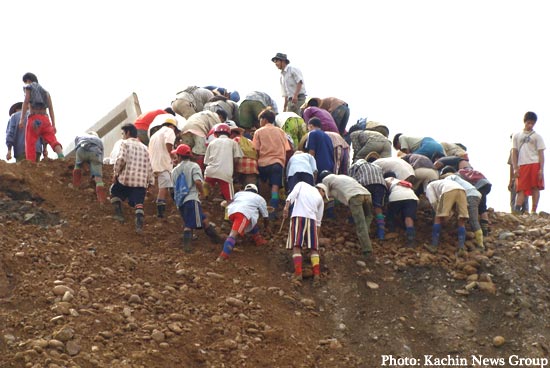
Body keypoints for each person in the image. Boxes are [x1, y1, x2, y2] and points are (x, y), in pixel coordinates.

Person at [171, 144, 221, 252]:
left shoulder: (174, 171)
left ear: (179, 156)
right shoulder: (194, 166)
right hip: (191, 199)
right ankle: (187, 247)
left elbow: (173, 188)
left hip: (180, 201)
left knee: (203, 220)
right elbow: (198, 181)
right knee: (190, 224)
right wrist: (202, 193)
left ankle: (216, 239)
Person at [318, 170, 374, 257]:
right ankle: (365, 234)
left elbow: (325, 195)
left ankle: (367, 251)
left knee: (360, 224)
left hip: (355, 197)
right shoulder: (343, 177)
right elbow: (335, 195)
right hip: (367, 194)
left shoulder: (326, 179)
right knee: (369, 216)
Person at [110, 124, 154, 232]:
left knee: (114, 191)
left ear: (128, 133)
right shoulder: (145, 148)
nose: (122, 136)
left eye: (122, 133)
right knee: (139, 203)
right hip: (140, 182)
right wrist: (150, 182)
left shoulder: (124, 144)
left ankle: (119, 214)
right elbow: (149, 166)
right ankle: (138, 223)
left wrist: (115, 173)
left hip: (126, 180)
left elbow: (121, 159)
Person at [282, 182, 326, 286]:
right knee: (314, 249)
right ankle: (316, 275)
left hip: (299, 217)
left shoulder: (301, 184)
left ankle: (298, 273)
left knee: (297, 246)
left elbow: (292, 195)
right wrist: (316, 240)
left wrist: (286, 207)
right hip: (312, 221)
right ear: (321, 190)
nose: (324, 196)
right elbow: (318, 222)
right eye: (324, 194)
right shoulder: (320, 199)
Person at [253, 108, 291, 217]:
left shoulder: (258, 132)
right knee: (275, 187)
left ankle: (260, 207)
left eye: (260, 120)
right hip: (277, 163)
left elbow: (256, 149)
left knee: (262, 183)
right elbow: (287, 148)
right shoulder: (281, 131)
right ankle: (273, 208)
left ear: (264, 120)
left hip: (263, 163)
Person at [216, 184, 270, 261]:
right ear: (256, 192)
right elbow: (265, 216)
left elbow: (228, 202)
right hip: (242, 214)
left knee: (252, 219)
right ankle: (222, 256)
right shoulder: (259, 198)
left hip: (231, 213)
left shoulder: (238, 194)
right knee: (233, 235)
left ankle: (258, 239)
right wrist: (266, 226)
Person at [18, 72, 64, 161]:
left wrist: (21, 119)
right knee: (52, 139)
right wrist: (53, 125)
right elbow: (51, 108)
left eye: (25, 82)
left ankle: (31, 163)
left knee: (30, 142)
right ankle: (61, 156)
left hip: (34, 119)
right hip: (45, 119)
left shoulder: (29, 87)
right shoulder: (46, 93)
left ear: (28, 80)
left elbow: (26, 101)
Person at [440, 167, 484, 249]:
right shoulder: (459, 178)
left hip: (470, 195)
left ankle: (481, 245)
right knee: (466, 216)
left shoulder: (450, 177)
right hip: (474, 194)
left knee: (472, 220)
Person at [511, 111, 545, 214]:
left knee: (535, 187)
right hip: (522, 164)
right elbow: (514, 152)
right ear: (524, 122)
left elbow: (541, 153)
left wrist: (541, 169)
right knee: (521, 188)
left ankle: (533, 210)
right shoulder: (516, 135)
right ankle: (517, 209)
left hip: (535, 163)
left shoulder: (537, 136)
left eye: (532, 123)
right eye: (528, 123)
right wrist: (515, 167)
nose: (530, 125)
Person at [424, 177, 469, 256]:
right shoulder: (444, 182)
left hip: (448, 190)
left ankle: (434, 246)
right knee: (461, 219)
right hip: (462, 190)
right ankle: (461, 248)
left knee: (438, 218)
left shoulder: (429, 186)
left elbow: (433, 201)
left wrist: (440, 213)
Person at [148, 116, 179, 218]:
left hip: (154, 163)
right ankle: (161, 213)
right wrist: (172, 155)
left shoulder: (154, 135)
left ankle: (175, 204)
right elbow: (169, 143)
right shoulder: (169, 131)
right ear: (172, 126)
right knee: (164, 186)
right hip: (164, 163)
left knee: (168, 183)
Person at [349, 158, 387, 240]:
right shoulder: (376, 166)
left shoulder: (355, 166)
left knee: (364, 206)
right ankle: (381, 233)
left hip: (365, 184)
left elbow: (352, 181)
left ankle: (365, 231)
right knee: (378, 207)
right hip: (380, 184)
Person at [204, 123, 243, 201]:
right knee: (231, 200)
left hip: (210, 172)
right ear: (229, 133)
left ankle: (204, 197)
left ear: (216, 134)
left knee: (206, 185)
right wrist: (234, 172)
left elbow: (206, 162)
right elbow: (237, 159)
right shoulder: (233, 143)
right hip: (225, 174)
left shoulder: (212, 143)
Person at [383, 172, 419, 247]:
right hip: (411, 197)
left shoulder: (387, 179)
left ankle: (391, 230)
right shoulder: (401, 181)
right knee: (408, 217)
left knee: (390, 214)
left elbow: (385, 191)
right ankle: (410, 239)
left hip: (396, 197)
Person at [72, 131, 107, 204]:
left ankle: (75, 186)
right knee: (98, 178)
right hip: (95, 152)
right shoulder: (98, 140)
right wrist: (98, 168)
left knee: (77, 166)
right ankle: (102, 201)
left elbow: (76, 147)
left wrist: (82, 163)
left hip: (81, 149)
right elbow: (101, 155)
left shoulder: (80, 135)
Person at [508, 134, 528, 212]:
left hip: (520, 176)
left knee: (517, 198)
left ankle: (518, 214)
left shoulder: (515, 150)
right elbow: (511, 165)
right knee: (522, 197)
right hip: (521, 177)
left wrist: (511, 181)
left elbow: (511, 166)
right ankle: (522, 214)